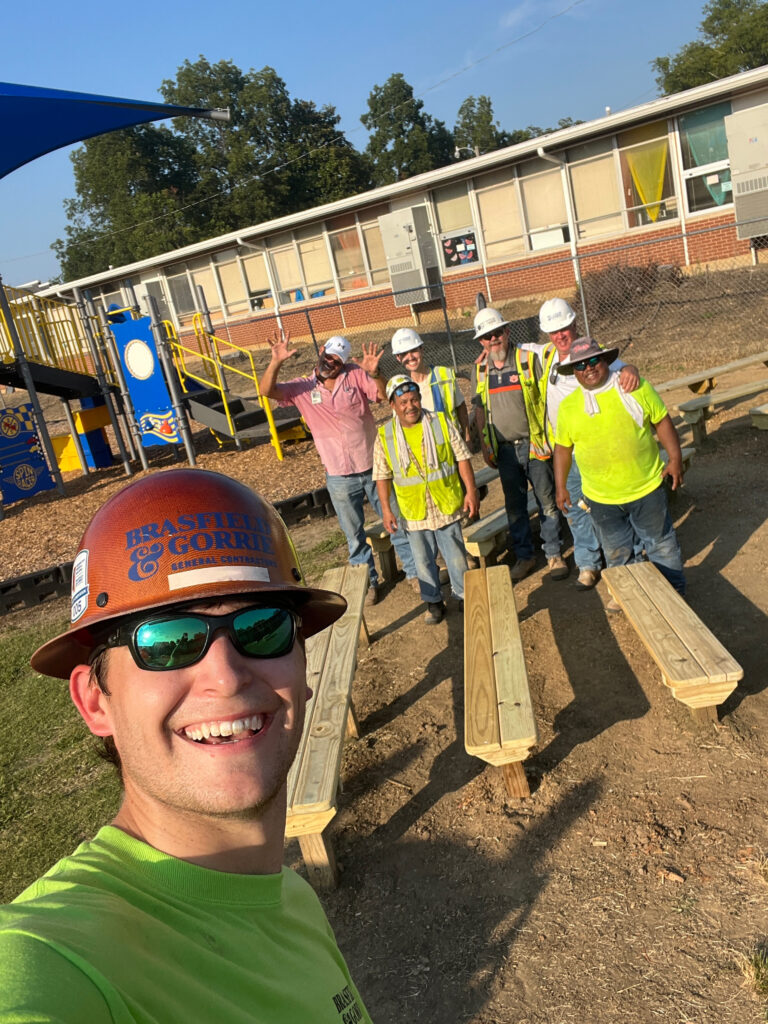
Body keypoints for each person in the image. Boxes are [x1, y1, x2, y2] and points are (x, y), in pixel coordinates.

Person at [0, 470, 372, 1022]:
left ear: (302, 664)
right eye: (167, 642)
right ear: (96, 701)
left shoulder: (290, 897)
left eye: (262, 627)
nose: (225, 676)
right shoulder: (57, 958)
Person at [261, 331, 417, 605]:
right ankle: (367, 582)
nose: (331, 362)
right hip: (339, 476)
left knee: (395, 521)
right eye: (329, 356)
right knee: (353, 534)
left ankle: (415, 572)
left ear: (344, 363)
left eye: (338, 360)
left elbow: (382, 395)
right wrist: (276, 362)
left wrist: (376, 372)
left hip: (374, 468)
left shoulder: (355, 376)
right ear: (322, 350)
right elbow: (266, 391)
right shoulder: (302, 388)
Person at [553, 337, 686, 604]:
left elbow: (661, 421)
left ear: (605, 361)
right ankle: (630, 597)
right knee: (616, 552)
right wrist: (561, 486)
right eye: (580, 366)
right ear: (573, 372)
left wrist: (675, 458)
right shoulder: (568, 407)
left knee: (661, 545)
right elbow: (563, 449)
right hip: (601, 498)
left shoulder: (633, 387)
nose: (588, 368)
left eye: (593, 361)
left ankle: (675, 597)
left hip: (646, 487)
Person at [529, 298, 641, 590]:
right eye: (554, 332)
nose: (560, 336)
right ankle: (588, 564)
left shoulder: (591, 353)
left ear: (574, 324)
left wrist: (631, 369)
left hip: (596, 449)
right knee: (575, 510)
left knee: (609, 509)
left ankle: (626, 565)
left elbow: (621, 367)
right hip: (566, 450)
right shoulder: (547, 355)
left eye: (564, 328)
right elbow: (510, 350)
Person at [471, 307, 567, 582]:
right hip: (504, 450)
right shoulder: (479, 370)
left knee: (546, 499)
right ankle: (525, 556)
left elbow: (546, 397)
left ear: (507, 331)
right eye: (487, 336)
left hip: (534, 444)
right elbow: (479, 409)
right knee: (515, 506)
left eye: (497, 333)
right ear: (481, 341)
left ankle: (553, 553)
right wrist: (486, 445)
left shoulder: (527, 359)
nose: (493, 340)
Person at [374, 375, 478, 624]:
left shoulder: (440, 422)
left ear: (420, 399)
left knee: (455, 554)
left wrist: (471, 491)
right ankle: (433, 602)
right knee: (422, 561)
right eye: (403, 402)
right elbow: (382, 475)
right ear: (393, 406)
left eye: (414, 399)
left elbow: (462, 458)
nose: (410, 406)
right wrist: (387, 510)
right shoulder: (385, 435)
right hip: (414, 510)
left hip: (445, 503)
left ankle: (463, 596)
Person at [390, 326, 471, 442]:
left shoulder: (444, 374)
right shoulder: (399, 388)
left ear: (421, 349)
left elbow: (460, 407)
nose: (411, 357)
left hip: (452, 444)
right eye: (404, 354)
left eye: (414, 350)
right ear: (398, 357)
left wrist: (467, 438)